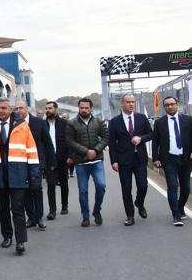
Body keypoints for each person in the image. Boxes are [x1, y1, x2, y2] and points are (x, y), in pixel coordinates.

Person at [0, 98, 40, 255]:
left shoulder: (23, 126)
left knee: (17, 208)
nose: (1, 111)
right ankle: (7, 236)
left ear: (11, 109)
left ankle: (20, 241)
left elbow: (31, 149)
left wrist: (33, 172)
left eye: (4, 108)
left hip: (17, 172)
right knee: (3, 208)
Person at [109, 94, 152, 226]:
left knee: (143, 186)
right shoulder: (114, 121)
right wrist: (113, 161)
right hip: (123, 160)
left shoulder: (141, 118)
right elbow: (112, 142)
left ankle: (139, 202)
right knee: (126, 189)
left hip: (140, 159)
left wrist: (140, 138)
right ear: (122, 104)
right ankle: (130, 215)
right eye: (128, 102)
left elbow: (151, 134)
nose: (131, 104)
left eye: (133, 102)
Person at [66, 98, 109, 227]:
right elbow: (69, 140)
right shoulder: (71, 123)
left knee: (101, 186)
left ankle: (97, 210)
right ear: (78, 108)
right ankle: (85, 216)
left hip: (97, 161)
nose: (84, 110)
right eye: (81, 108)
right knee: (83, 191)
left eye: (86, 108)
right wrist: (86, 151)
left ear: (91, 109)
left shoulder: (99, 122)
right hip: (80, 162)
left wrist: (95, 150)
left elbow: (106, 137)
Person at [151, 96, 192, 225]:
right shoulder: (159, 122)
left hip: (186, 159)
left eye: (172, 104)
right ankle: (176, 215)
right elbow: (155, 142)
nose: (170, 106)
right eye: (167, 105)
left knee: (186, 188)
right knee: (172, 186)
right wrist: (155, 158)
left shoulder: (188, 120)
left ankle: (180, 207)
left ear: (177, 105)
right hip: (169, 159)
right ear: (164, 107)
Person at [15, 100, 53, 230]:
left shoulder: (39, 122)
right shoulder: (14, 124)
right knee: (25, 191)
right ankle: (30, 217)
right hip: (19, 162)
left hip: (36, 162)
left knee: (36, 189)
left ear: (27, 109)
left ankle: (39, 217)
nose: (18, 110)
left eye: (21, 108)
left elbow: (47, 142)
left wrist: (51, 161)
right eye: (17, 108)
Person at [44, 101, 70, 220]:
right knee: (50, 185)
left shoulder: (64, 123)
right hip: (49, 160)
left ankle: (64, 205)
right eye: (46, 108)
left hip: (63, 159)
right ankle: (52, 210)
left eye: (50, 108)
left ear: (56, 109)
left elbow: (69, 141)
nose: (48, 110)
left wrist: (70, 156)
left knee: (64, 183)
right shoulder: (43, 124)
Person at [62, 112, 75, 177]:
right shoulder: (60, 124)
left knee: (71, 159)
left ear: (68, 117)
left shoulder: (71, 124)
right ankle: (66, 172)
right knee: (65, 160)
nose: (63, 118)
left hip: (71, 144)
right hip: (64, 145)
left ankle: (71, 172)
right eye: (63, 117)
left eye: (65, 117)